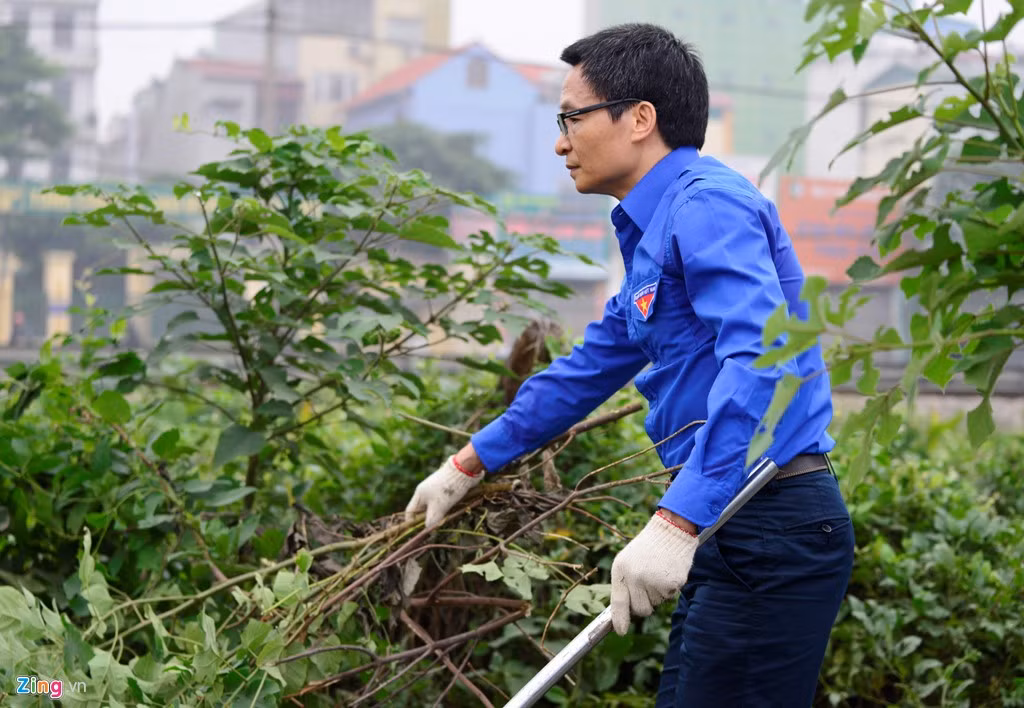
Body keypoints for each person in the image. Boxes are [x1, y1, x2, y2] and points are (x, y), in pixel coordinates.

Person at [404, 23, 855, 708]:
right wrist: (467, 463)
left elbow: (763, 357)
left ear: (639, 118)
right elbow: (586, 369)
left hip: (771, 519)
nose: (560, 141)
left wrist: (676, 521)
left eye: (571, 118)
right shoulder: (653, 229)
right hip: (727, 521)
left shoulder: (706, 203)